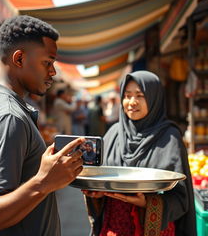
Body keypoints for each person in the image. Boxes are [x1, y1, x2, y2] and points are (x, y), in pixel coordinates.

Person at [0, 15, 85, 236]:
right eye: (47, 63)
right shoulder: (9, 117)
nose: (52, 72)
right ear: (19, 59)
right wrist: (44, 182)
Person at [83, 70, 196, 236]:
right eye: (127, 95)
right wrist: (97, 194)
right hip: (114, 227)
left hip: (154, 230)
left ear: (154, 98)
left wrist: (147, 203)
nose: (132, 102)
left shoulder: (169, 137)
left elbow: (181, 198)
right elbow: (99, 178)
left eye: (140, 95)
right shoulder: (114, 133)